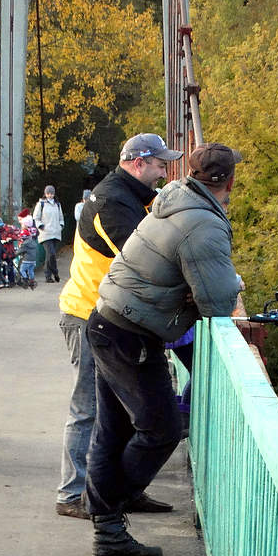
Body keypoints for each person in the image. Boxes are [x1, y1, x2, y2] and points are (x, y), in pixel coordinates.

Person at [83, 143, 245, 556]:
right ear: (229, 182)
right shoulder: (203, 224)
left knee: (114, 429)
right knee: (162, 430)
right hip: (130, 334)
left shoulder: (174, 199)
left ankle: (107, 525)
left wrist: (200, 287)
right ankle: (109, 518)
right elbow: (217, 301)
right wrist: (233, 285)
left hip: (108, 320)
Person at [55, 133, 184, 520]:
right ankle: (72, 493)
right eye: (160, 165)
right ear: (138, 163)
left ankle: (120, 491)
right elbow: (140, 257)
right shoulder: (111, 201)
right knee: (88, 408)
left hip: (111, 317)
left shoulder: (133, 197)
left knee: (121, 411)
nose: (164, 173)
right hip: (88, 315)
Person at [32, 185, 64, 283]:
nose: (50, 195)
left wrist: (61, 226)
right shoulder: (41, 204)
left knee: (50, 256)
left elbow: (61, 217)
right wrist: (41, 226)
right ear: (45, 194)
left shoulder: (57, 204)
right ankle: (54, 273)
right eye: (48, 193)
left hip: (56, 233)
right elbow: (36, 217)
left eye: (52, 193)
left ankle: (49, 276)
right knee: (51, 254)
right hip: (45, 233)